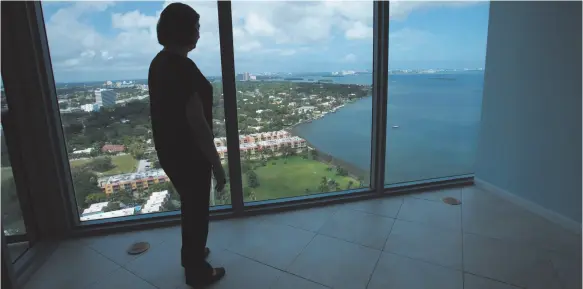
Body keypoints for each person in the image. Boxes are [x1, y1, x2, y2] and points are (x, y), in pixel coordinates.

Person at [148, 2, 226, 288]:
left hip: (170, 150)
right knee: (196, 211)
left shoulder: (159, 62)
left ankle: (191, 253)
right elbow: (198, 125)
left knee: (190, 207)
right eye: (196, 27)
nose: (199, 34)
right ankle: (197, 272)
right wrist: (217, 166)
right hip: (190, 153)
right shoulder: (183, 68)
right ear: (184, 31)